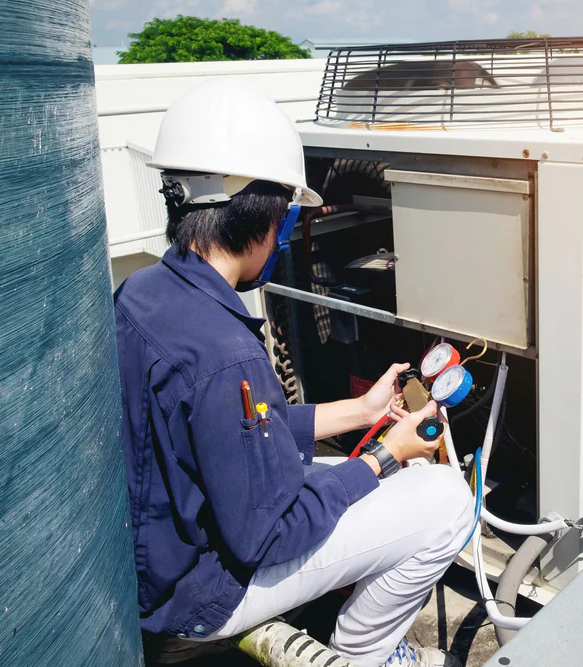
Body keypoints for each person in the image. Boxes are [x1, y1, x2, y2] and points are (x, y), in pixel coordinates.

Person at [113, 80, 474, 667]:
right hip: (201, 595)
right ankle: (367, 654)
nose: (283, 238)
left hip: (158, 559)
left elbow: (230, 437)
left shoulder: (143, 293)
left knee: (345, 479)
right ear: (258, 217)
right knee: (446, 499)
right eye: (284, 222)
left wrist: (362, 414)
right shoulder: (227, 353)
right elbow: (270, 532)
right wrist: (384, 458)